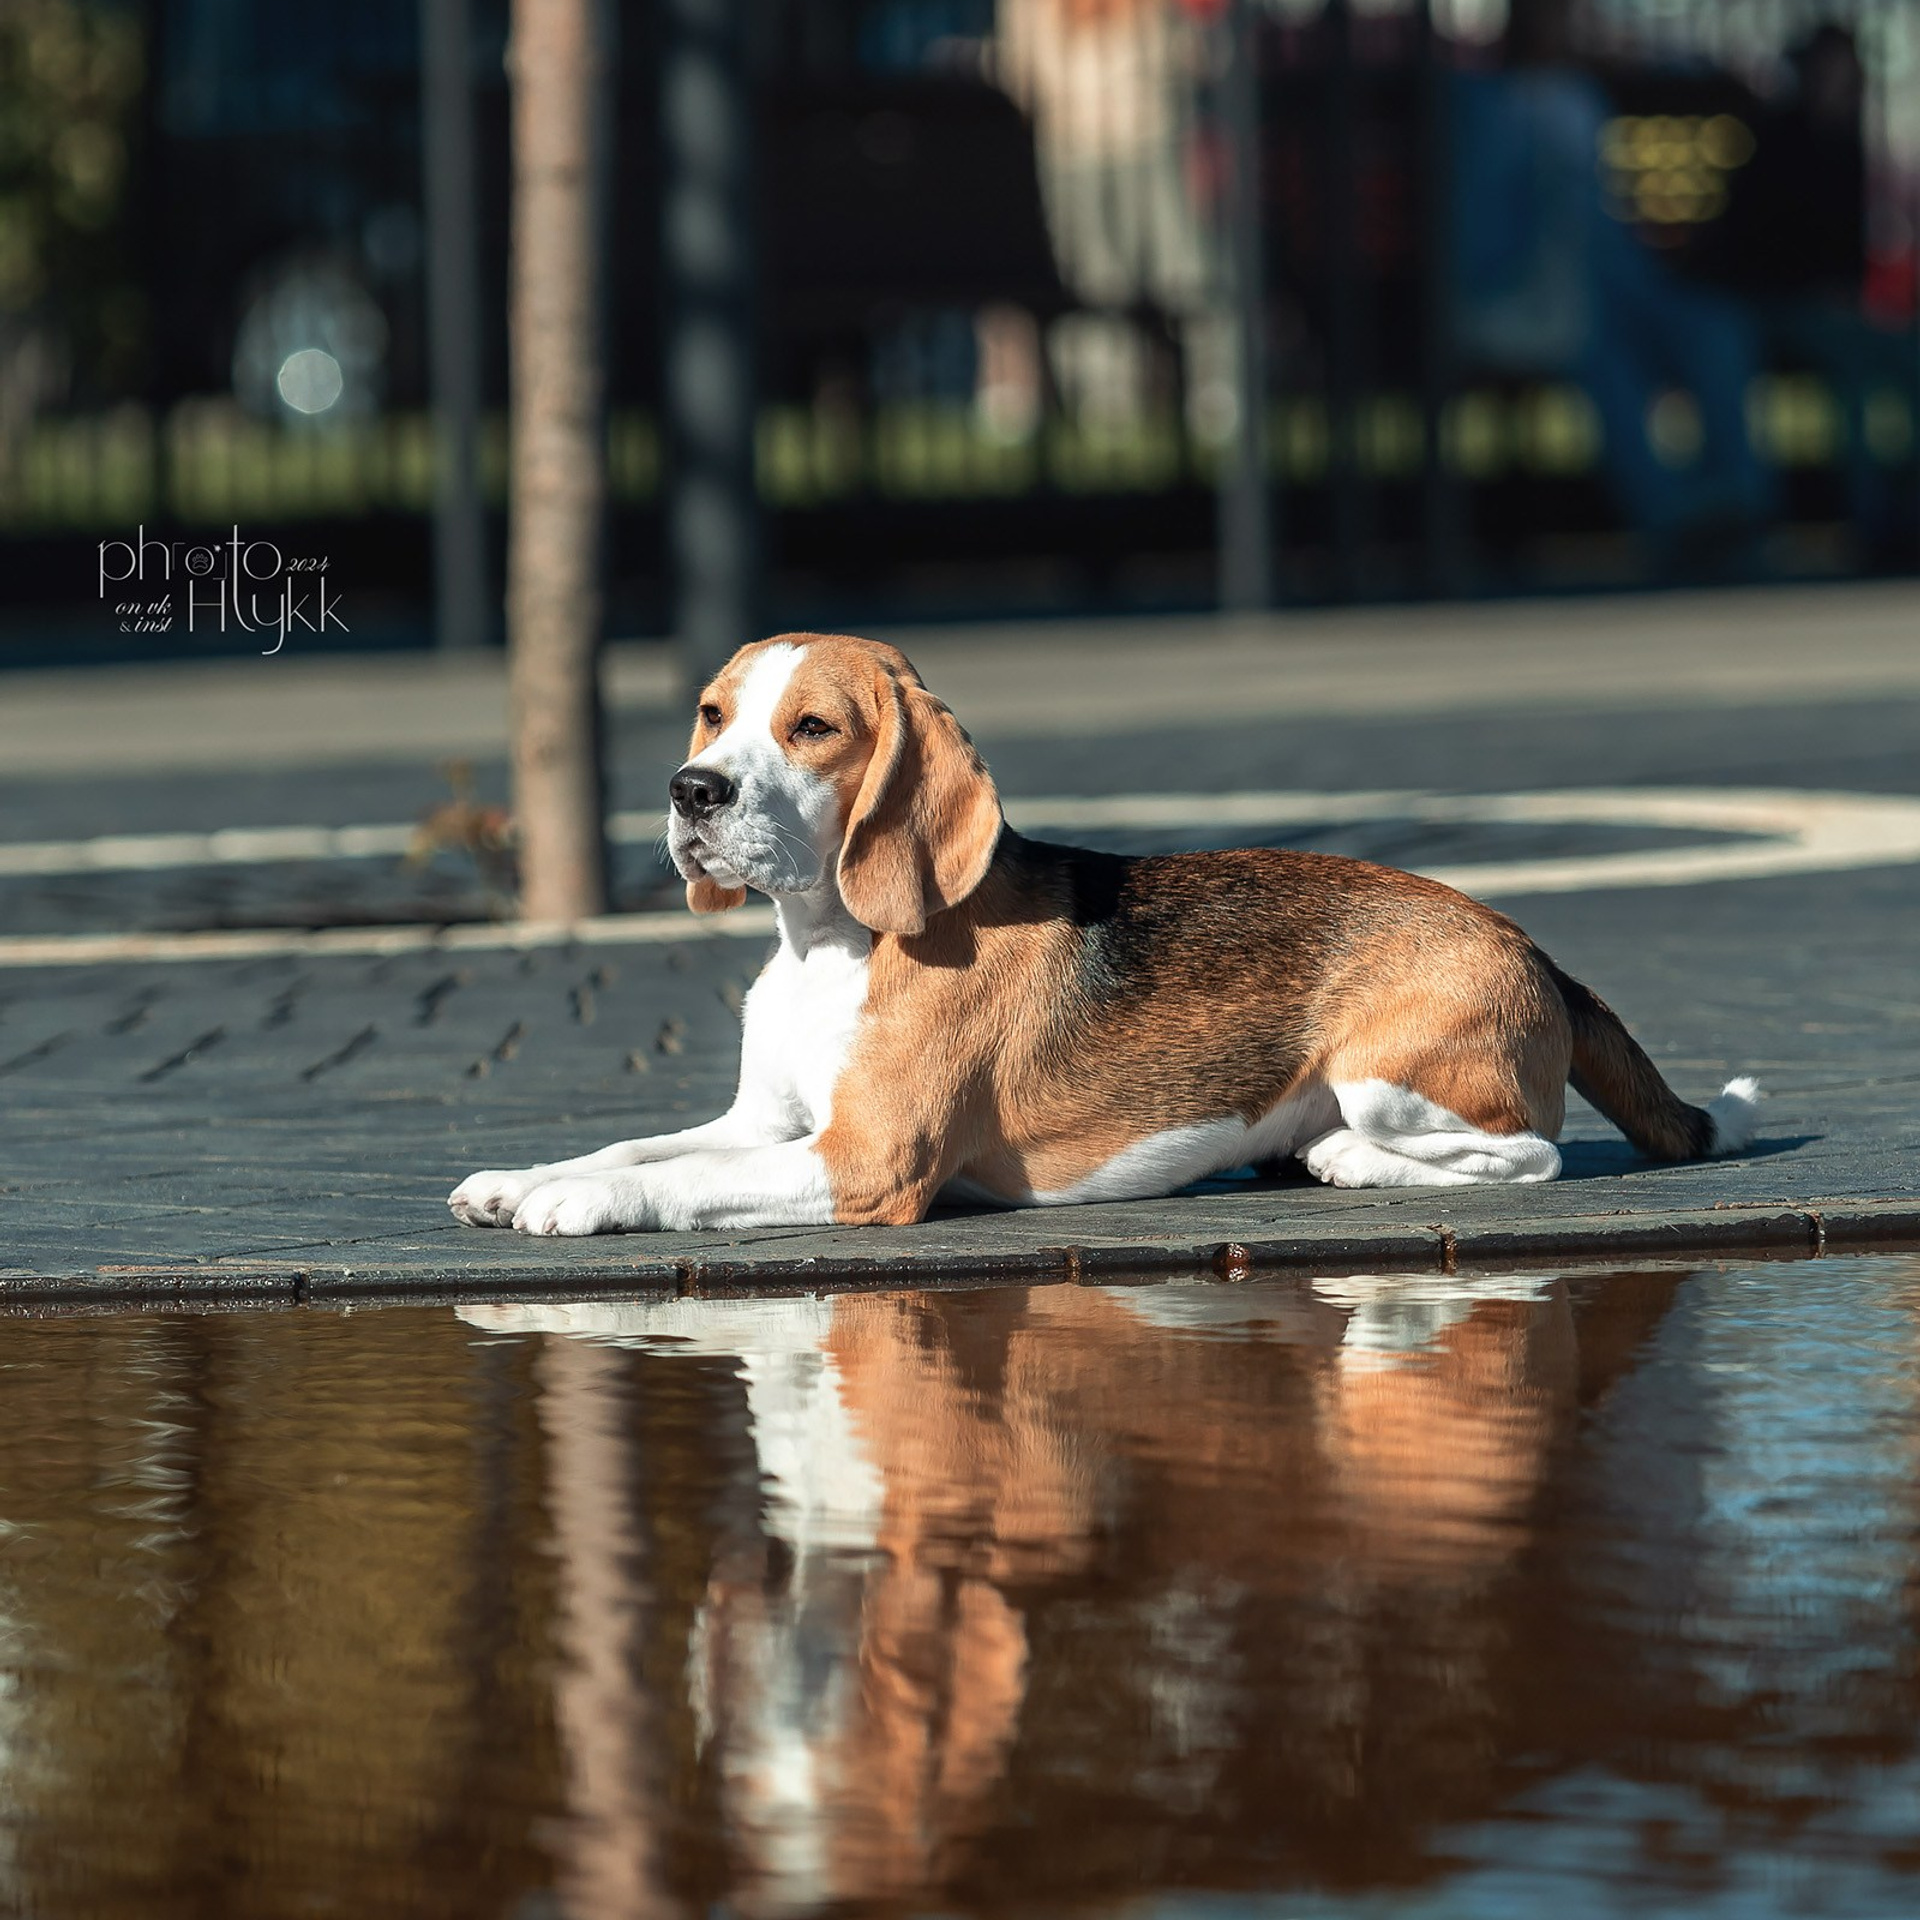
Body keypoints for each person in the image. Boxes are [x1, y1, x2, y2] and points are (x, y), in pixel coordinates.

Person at [1450, 0, 1776, 567]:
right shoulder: (1492, 104)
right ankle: (1673, 518)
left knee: (1716, 330)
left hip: (1625, 276)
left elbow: (1611, 212)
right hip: (1542, 289)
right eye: (1553, 22)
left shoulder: (1583, 96)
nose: (1563, 34)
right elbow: (1480, 223)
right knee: (1605, 366)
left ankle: (1744, 503)